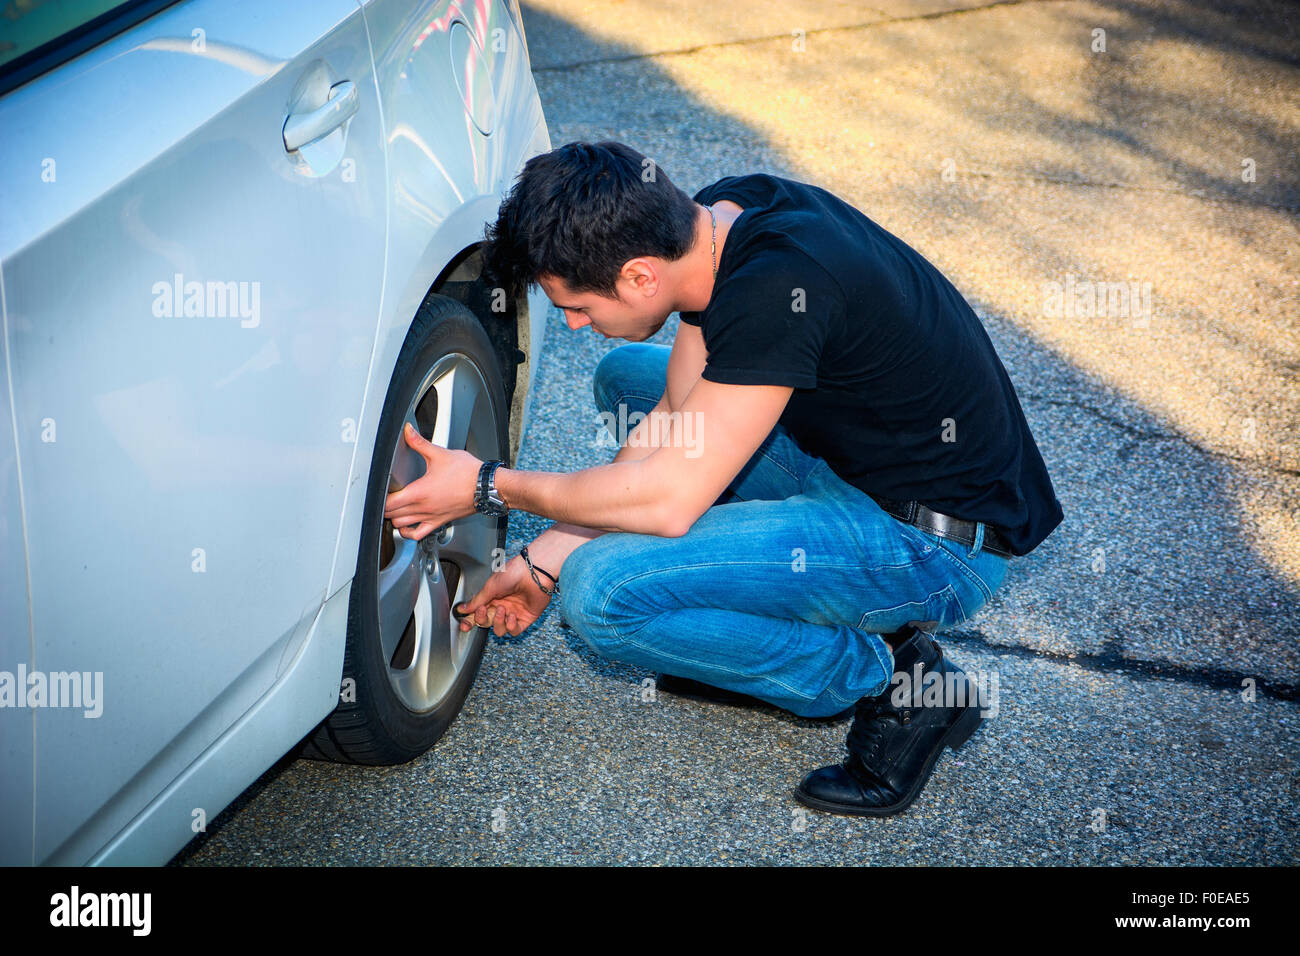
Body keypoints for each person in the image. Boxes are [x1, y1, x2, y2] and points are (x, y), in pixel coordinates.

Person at [382, 141, 1064, 816]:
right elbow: (678, 415)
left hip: (935, 544)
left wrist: (488, 485)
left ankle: (890, 679)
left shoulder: (777, 289)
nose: (573, 323)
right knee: (629, 382)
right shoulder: (720, 217)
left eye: (580, 306)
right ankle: (752, 612)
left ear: (642, 276)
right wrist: (542, 559)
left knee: (604, 594)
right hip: (860, 466)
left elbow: (671, 500)